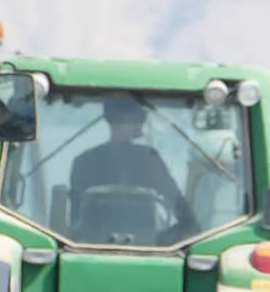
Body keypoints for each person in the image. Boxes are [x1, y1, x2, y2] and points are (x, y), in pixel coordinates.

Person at [68, 96, 195, 236]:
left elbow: (75, 216)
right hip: (147, 246)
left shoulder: (84, 161)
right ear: (119, 121)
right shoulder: (148, 158)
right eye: (139, 118)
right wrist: (193, 228)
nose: (142, 123)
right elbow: (174, 199)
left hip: (89, 244)